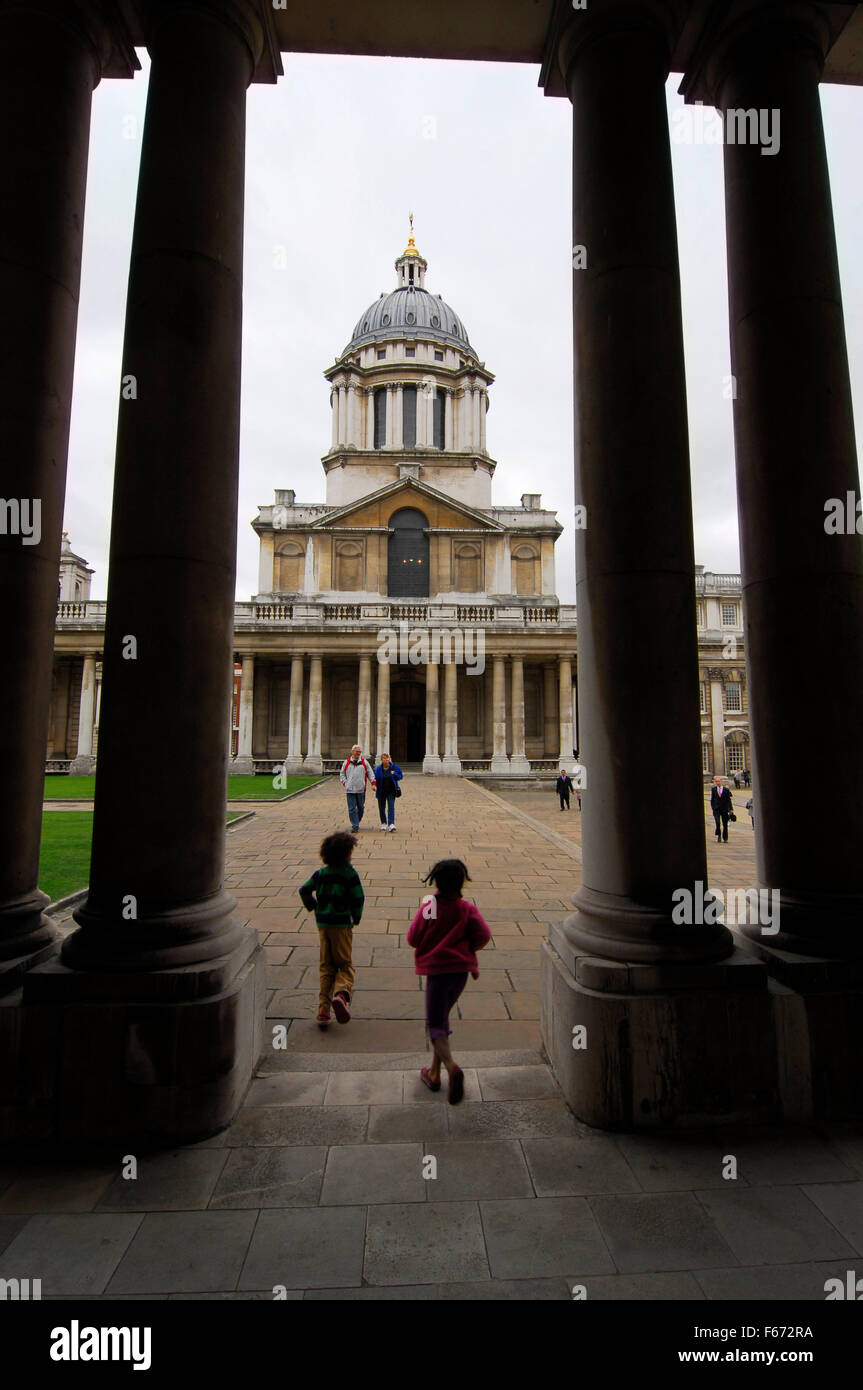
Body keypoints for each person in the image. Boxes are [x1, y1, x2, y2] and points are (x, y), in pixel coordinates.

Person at [406, 858, 491, 1105]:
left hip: (438, 972)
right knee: (441, 1019)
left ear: (436, 881)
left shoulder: (431, 905)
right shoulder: (466, 908)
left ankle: (453, 1068)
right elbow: (483, 935)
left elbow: (413, 937)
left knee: (434, 1025)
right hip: (460, 974)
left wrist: (430, 944)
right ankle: (434, 1073)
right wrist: (466, 949)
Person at [299, 831, 364, 1027]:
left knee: (326, 966)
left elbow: (304, 890)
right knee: (344, 965)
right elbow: (358, 898)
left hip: (323, 925)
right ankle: (341, 995)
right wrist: (356, 918)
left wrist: (314, 907)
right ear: (346, 854)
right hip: (342, 925)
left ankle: (323, 1010)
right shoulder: (349, 874)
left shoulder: (321, 874)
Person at [339, 744, 374, 832]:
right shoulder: (346, 762)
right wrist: (345, 783)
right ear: (352, 752)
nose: (358, 753)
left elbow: (370, 773)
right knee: (351, 808)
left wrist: (373, 783)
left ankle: (356, 821)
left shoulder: (364, 762)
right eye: (357, 751)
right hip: (350, 789)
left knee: (361, 808)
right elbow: (342, 774)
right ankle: (355, 825)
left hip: (361, 789)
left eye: (359, 752)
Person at [373, 751, 403, 831]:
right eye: (384, 759)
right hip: (381, 791)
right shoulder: (379, 769)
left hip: (391, 791)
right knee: (382, 808)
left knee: (391, 807)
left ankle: (391, 824)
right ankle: (383, 823)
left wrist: (394, 774)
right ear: (382, 760)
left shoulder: (394, 767)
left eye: (387, 758)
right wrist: (374, 785)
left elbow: (400, 776)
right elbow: (375, 778)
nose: (386, 760)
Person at [710, 775, 734, 843]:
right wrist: (713, 807)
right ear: (715, 782)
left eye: (719, 781)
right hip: (717, 809)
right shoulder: (714, 789)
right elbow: (712, 799)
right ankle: (719, 836)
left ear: (721, 781)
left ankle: (725, 837)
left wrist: (731, 809)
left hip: (724, 809)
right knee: (717, 823)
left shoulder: (726, 790)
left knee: (725, 824)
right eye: (716, 781)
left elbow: (728, 800)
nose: (718, 782)